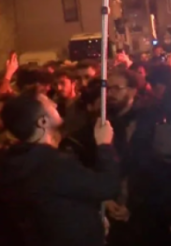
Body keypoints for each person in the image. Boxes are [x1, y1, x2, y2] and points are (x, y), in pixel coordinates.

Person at [0, 92, 119, 246]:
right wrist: (105, 145)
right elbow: (106, 186)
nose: (56, 105)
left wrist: (91, 222)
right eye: (49, 103)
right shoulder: (51, 163)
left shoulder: (14, 161)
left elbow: (59, 204)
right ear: (42, 122)